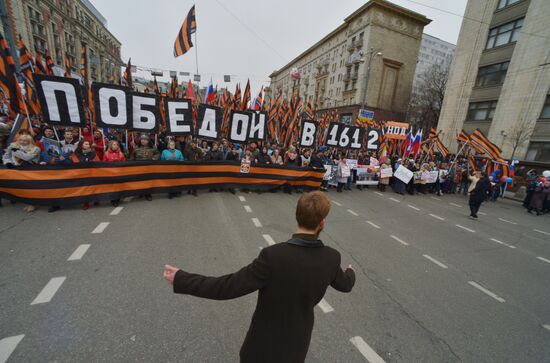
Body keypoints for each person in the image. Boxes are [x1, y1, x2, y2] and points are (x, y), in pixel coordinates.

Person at [163, 191, 355, 363]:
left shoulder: (273, 256)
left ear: (297, 216)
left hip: (262, 345)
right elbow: (345, 284)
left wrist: (182, 279)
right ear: (322, 223)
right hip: (297, 344)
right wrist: (350, 272)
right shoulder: (331, 257)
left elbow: (227, 287)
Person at [2, 134, 41, 212]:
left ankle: (31, 204)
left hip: (29, 169)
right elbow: (6, 156)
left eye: (25, 140)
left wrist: (17, 151)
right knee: (21, 187)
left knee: (29, 188)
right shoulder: (13, 146)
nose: (22, 142)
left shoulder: (35, 149)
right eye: (20, 140)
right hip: (16, 169)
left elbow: (27, 158)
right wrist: (8, 163)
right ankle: (26, 202)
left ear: (30, 141)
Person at [132, 134, 160, 201]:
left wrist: (155, 157)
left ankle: (148, 194)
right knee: (139, 181)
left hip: (148, 168)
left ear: (148, 140)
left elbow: (158, 154)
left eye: (145, 139)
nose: (143, 141)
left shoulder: (153, 147)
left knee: (148, 181)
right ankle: (140, 193)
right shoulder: (136, 147)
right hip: (139, 168)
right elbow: (132, 157)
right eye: (142, 139)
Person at [103, 140, 126, 206]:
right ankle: (113, 199)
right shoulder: (106, 154)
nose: (115, 146)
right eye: (113, 144)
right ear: (110, 145)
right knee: (112, 187)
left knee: (118, 186)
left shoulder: (121, 154)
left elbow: (124, 162)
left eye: (116, 144)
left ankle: (117, 198)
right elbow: (104, 163)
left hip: (119, 173)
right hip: (110, 173)